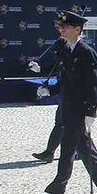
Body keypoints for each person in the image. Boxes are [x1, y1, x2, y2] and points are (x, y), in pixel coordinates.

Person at [38, 11, 97, 194]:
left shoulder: (85, 52)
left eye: (66, 27)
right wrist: (50, 90)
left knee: (67, 153)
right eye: (61, 26)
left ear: (77, 29)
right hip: (67, 108)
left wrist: (91, 111)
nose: (62, 29)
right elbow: (65, 82)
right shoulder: (66, 50)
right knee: (84, 148)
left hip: (79, 110)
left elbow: (93, 85)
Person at [29, 28, 69, 162]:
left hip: (73, 96)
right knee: (64, 124)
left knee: (66, 125)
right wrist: (39, 69)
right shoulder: (61, 50)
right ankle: (50, 152)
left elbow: (68, 82)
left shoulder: (72, 54)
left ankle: (52, 152)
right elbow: (54, 67)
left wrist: (50, 91)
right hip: (65, 95)